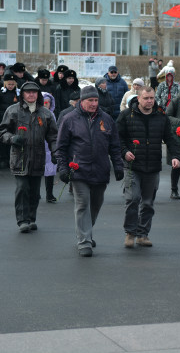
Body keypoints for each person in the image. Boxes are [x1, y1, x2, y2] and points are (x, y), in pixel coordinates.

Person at [56, 86, 124, 257]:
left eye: (96, 100)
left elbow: (115, 146)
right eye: (90, 101)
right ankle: (84, 241)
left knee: (96, 204)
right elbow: (61, 147)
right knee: (83, 203)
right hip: (79, 170)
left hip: (101, 170)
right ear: (81, 101)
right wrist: (63, 168)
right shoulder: (69, 119)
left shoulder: (107, 119)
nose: (94, 103)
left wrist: (118, 166)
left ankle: (84, 231)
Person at [117, 86, 180, 248]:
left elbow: (170, 138)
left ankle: (143, 234)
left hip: (152, 166)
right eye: (146, 98)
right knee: (132, 199)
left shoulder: (161, 117)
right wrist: (124, 152)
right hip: (132, 166)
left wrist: (175, 156)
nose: (149, 101)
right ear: (138, 98)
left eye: (152, 98)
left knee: (147, 202)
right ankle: (130, 233)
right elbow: (117, 138)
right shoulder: (126, 116)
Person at [0, 82, 58, 233]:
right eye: (28, 92)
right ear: (22, 94)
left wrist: (56, 152)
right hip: (20, 158)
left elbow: (53, 137)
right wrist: (12, 138)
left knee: (35, 192)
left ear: (38, 94)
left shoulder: (46, 113)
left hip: (38, 157)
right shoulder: (13, 111)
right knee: (22, 188)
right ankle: (22, 220)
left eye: (34, 92)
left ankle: (31, 218)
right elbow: (2, 132)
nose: (31, 94)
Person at [0, 73, 20, 168]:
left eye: (13, 84)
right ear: (5, 84)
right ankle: (3, 158)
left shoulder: (18, 93)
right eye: (9, 84)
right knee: (4, 138)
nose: (11, 86)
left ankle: (13, 159)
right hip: (2, 117)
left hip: (15, 119)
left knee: (14, 138)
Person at [42, 92, 58, 203]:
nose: (46, 104)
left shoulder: (52, 114)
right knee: (36, 171)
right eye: (44, 102)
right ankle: (35, 193)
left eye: (48, 102)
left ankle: (49, 194)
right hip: (38, 145)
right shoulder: (35, 113)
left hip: (50, 146)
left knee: (50, 170)